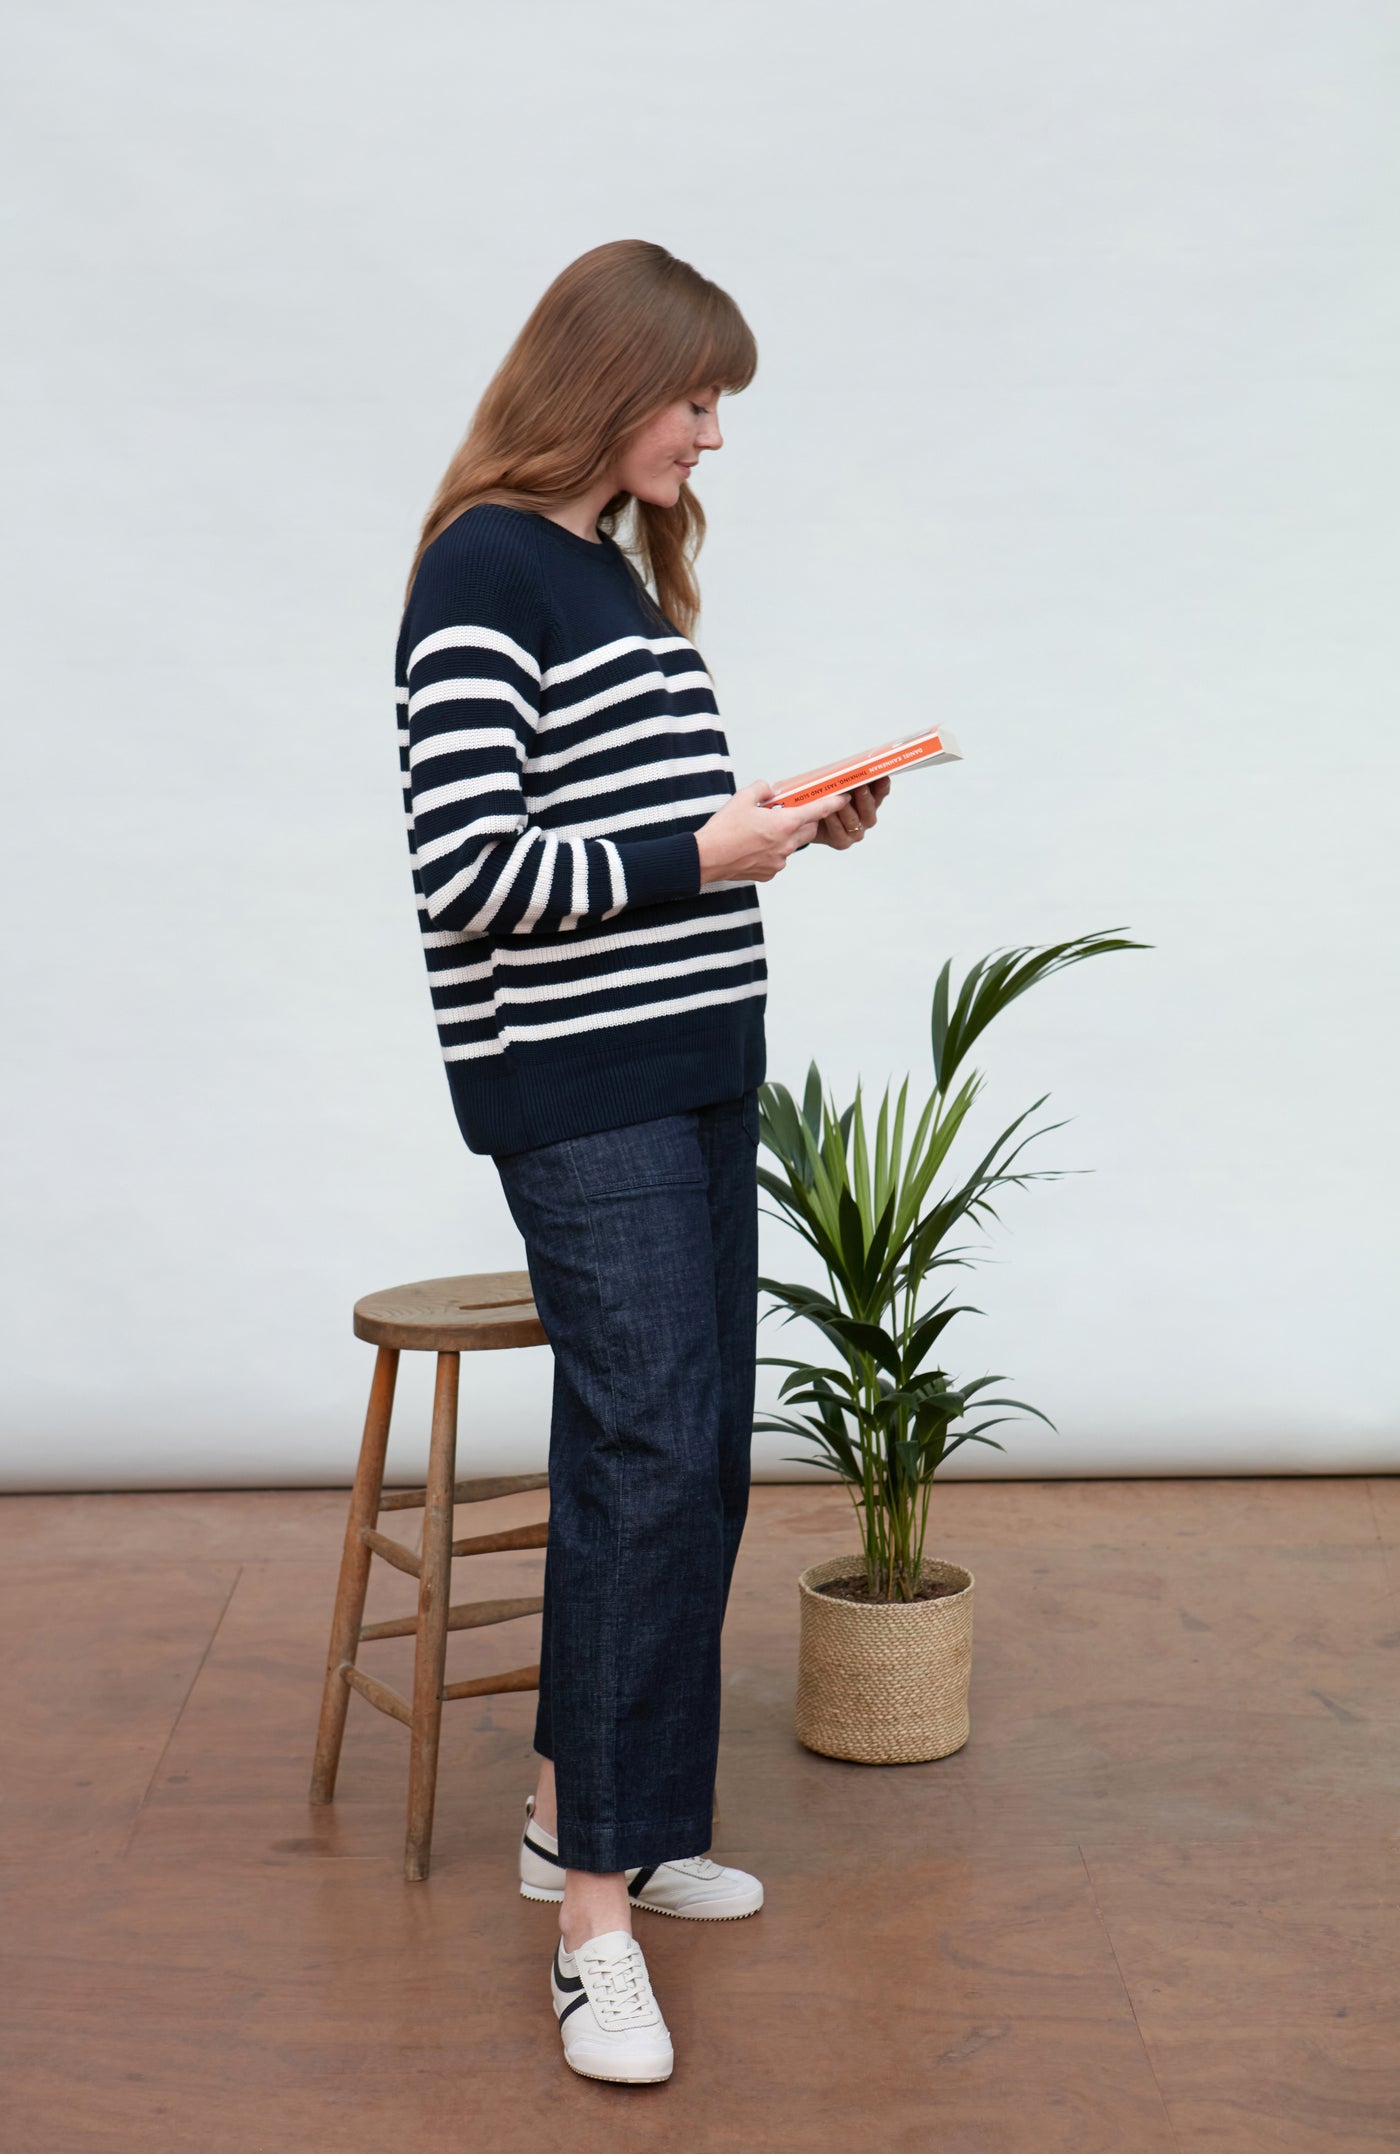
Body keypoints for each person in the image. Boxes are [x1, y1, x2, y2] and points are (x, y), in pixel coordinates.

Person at [395, 239, 888, 2085]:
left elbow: (635, 835)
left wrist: (787, 830)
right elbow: (471, 874)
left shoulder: (608, 574)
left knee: (692, 1455)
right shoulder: (484, 571)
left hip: (690, 1070)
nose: (710, 435)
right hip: (583, 1090)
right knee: (649, 1454)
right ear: (612, 385)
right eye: (698, 400)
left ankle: (583, 1816)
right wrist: (710, 855)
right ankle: (591, 1921)